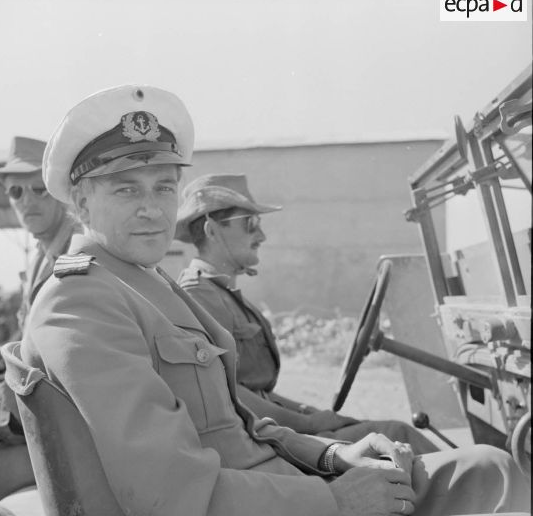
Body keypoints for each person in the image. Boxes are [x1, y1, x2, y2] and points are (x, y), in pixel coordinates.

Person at [3, 84, 530, 516]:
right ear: (80, 202)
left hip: (276, 492)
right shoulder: (81, 301)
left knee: (492, 468)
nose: (151, 208)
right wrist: (335, 503)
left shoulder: (141, 281)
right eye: (125, 189)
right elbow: (167, 495)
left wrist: (331, 456)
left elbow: (236, 420)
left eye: (164, 186)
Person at [175, 174, 439, 453]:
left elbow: (255, 391)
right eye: (250, 224)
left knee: (390, 436)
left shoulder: (220, 293)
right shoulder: (198, 295)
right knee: (395, 436)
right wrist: (308, 424)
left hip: (267, 433)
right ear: (212, 230)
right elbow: (229, 394)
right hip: (255, 445)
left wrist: (309, 412)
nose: (261, 236)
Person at [0, 137, 80, 501]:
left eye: (39, 189)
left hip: (57, 404)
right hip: (32, 395)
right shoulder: (43, 252)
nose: (27, 201)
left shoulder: (74, 252)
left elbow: (65, 353)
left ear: (60, 193)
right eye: (16, 192)